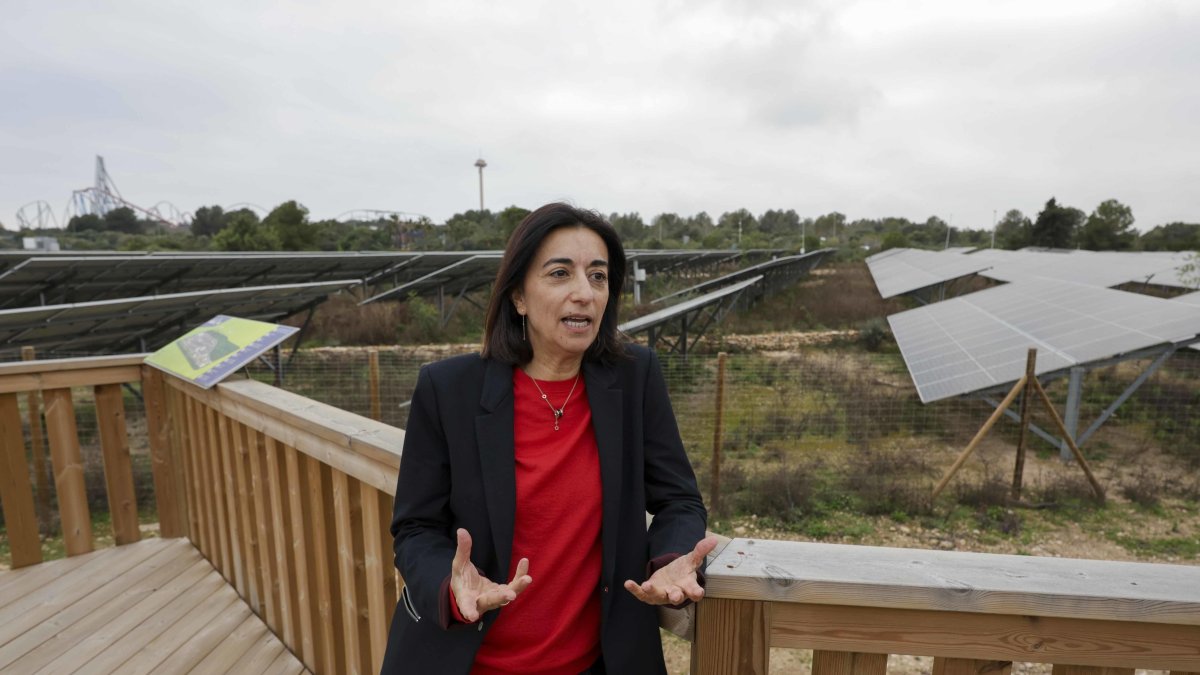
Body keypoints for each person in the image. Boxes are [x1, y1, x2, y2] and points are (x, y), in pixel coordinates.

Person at [381, 203, 717, 675]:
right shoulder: (449, 389)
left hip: (594, 664)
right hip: (464, 663)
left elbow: (679, 500)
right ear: (518, 295)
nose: (584, 293)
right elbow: (415, 530)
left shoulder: (634, 377)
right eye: (560, 273)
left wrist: (671, 558)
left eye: (598, 277)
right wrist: (452, 585)